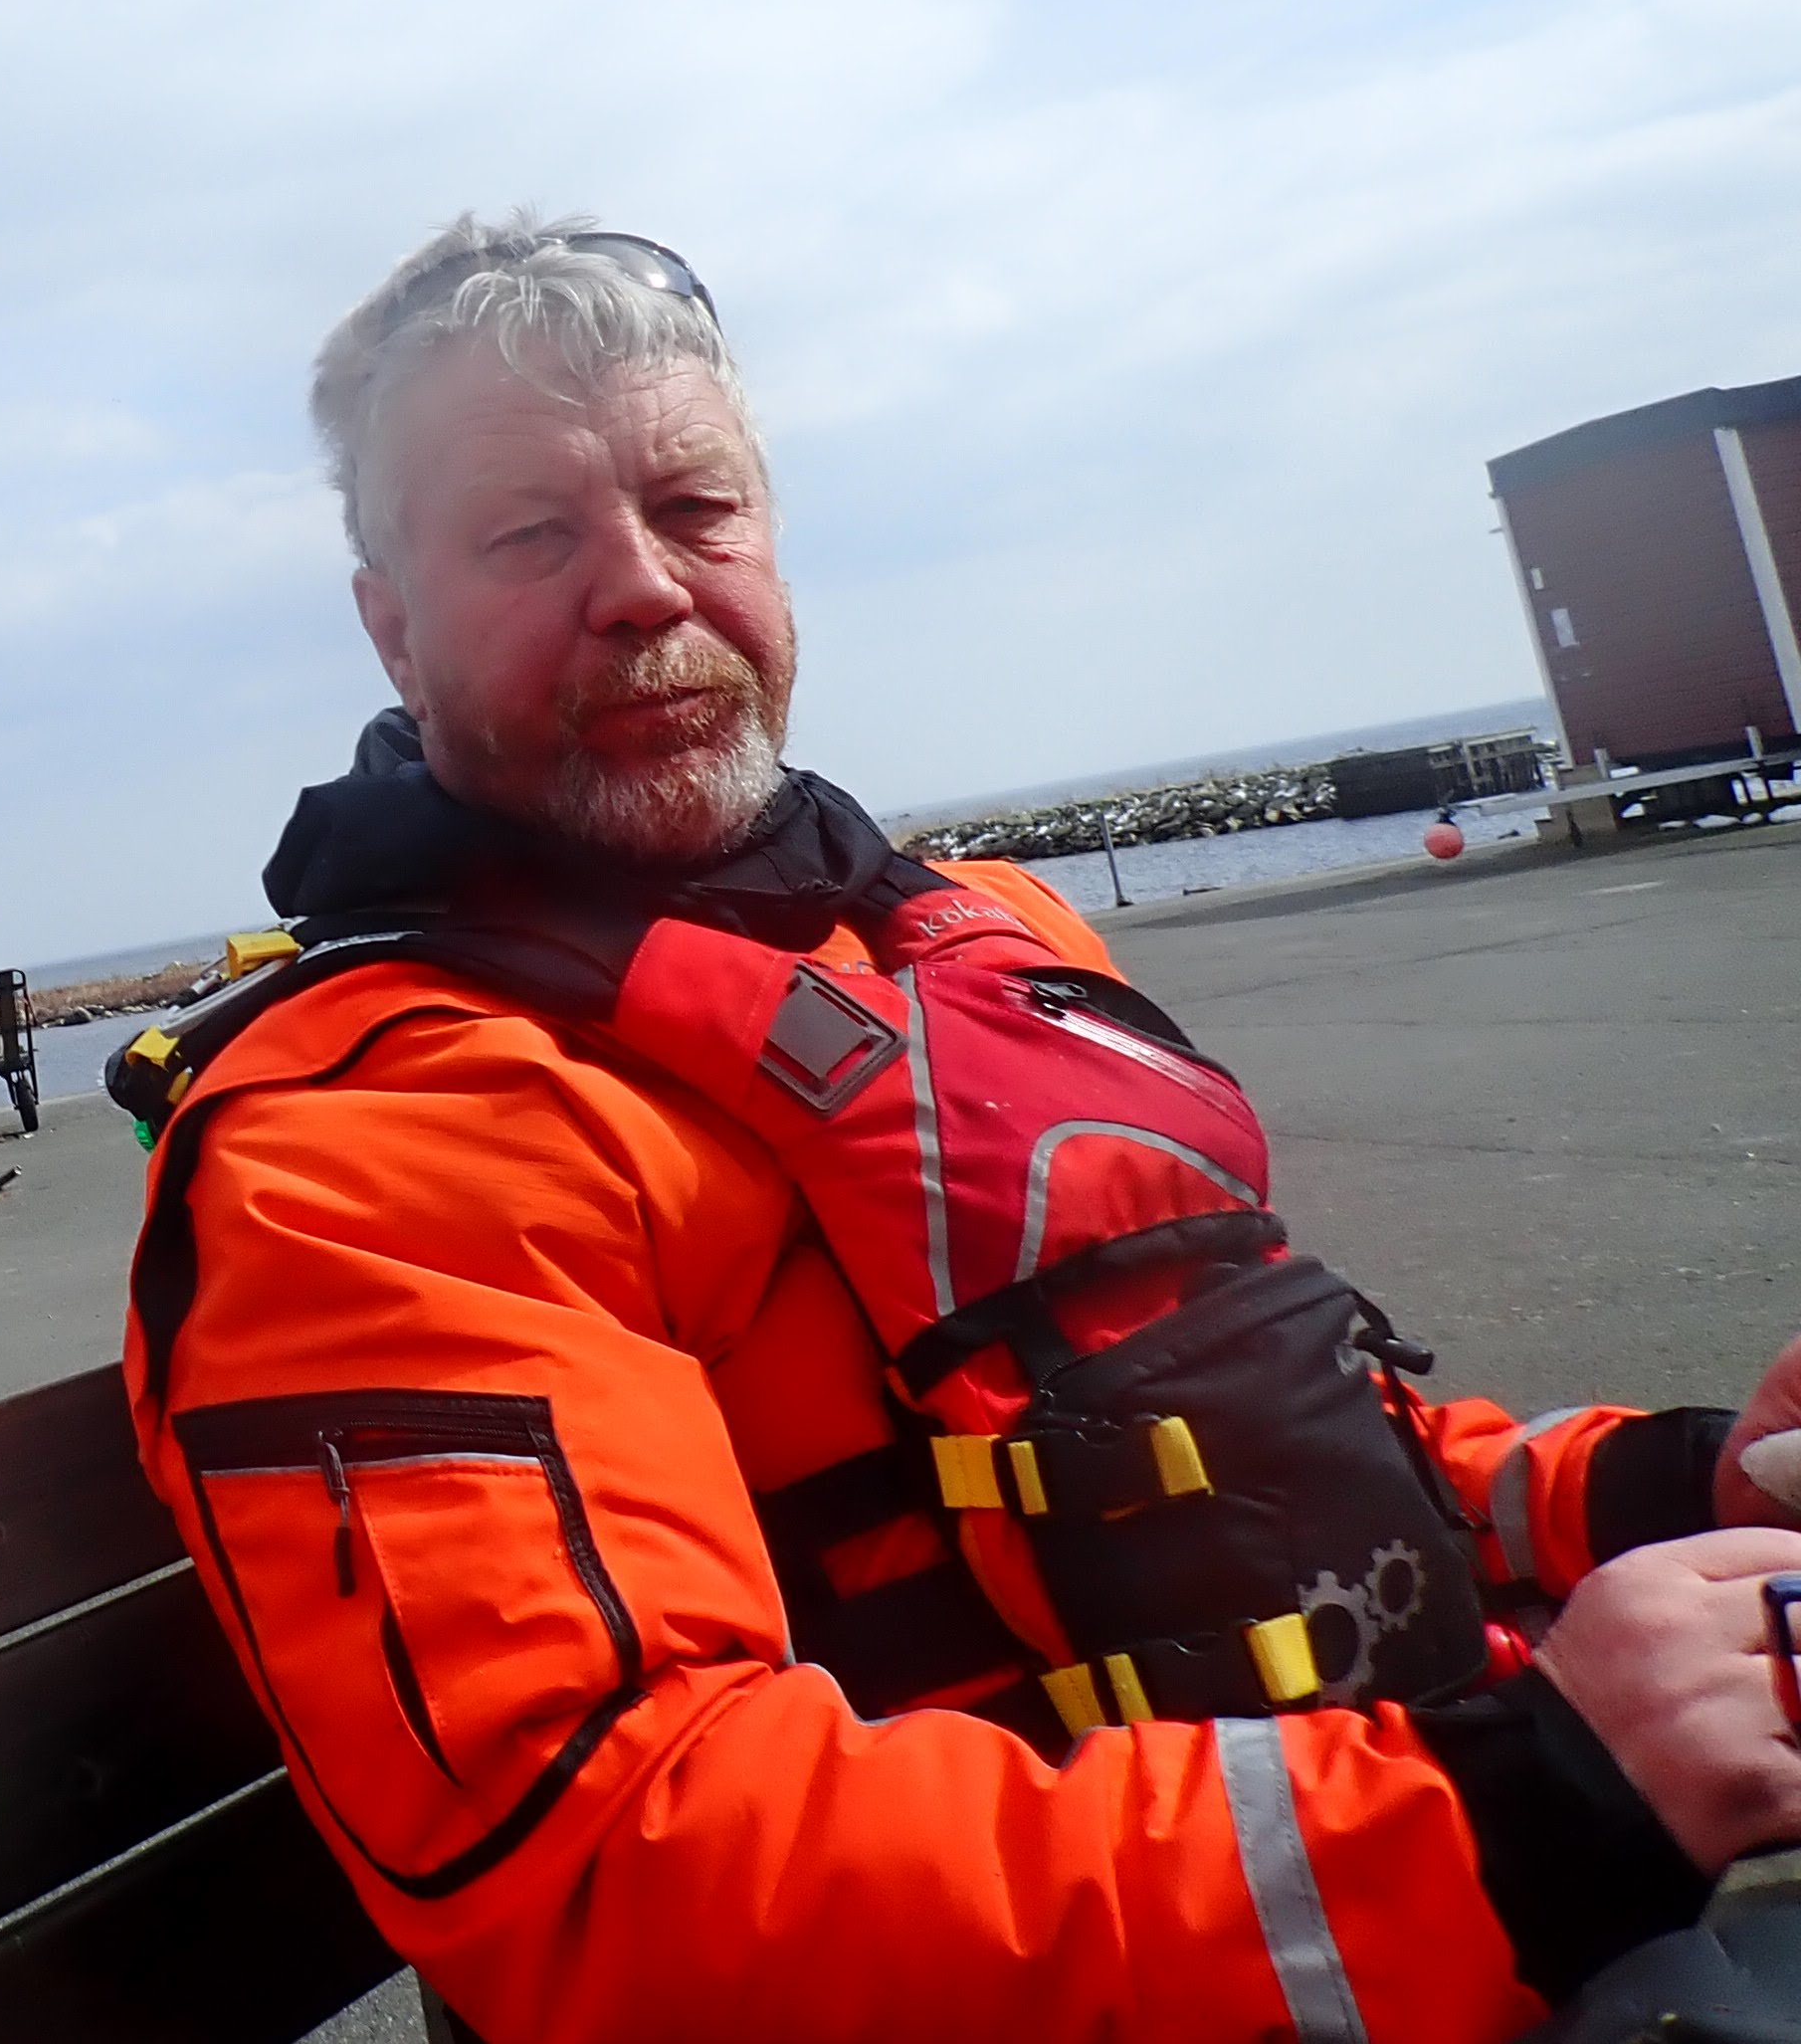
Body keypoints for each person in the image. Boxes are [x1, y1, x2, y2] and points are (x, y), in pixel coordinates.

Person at [114, 214, 1801, 2044]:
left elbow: (1279, 1457)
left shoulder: (978, 941)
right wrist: (1515, 1817)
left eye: (696, 508)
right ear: (393, 629)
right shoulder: (370, 1142)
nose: (644, 588)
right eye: (530, 535)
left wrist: (1667, 1488)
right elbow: (622, 1880)